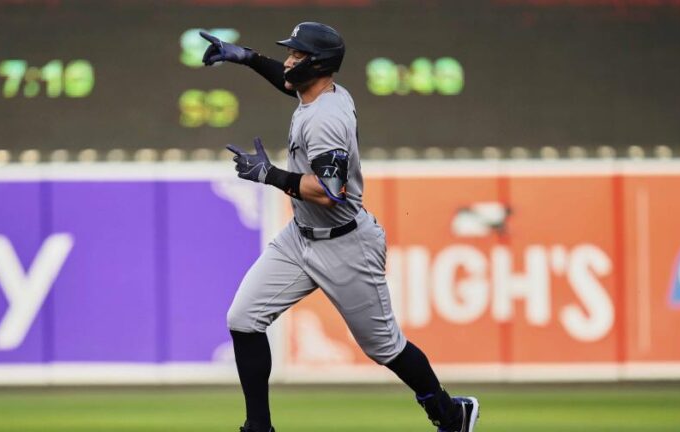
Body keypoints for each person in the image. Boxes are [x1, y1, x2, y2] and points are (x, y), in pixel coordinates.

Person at [200, 22, 480, 432]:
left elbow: (331, 192)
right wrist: (247, 57)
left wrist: (270, 175)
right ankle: (258, 427)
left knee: (385, 347)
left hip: (346, 244)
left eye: (298, 55)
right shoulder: (320, 93)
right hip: (300, 237)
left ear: (318, 64)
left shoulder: (325, 119)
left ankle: (451, 414)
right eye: (291, 53)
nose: (289, 60)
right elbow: (287, 80)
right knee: (243, 318)